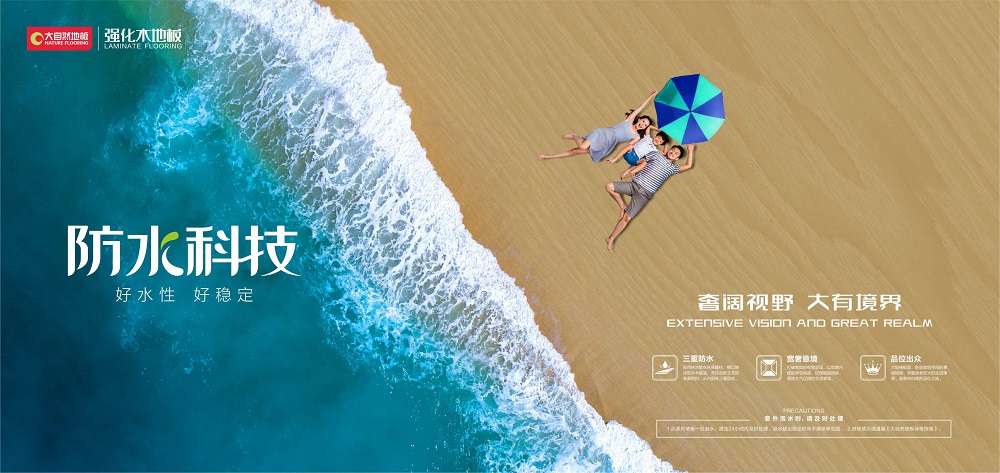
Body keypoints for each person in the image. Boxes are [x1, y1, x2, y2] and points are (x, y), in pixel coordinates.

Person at [604, 143, 696, 252]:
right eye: (673, 150)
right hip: (634, 185)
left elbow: (688, 165)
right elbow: (641, 162)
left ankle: (611, 238)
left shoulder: (672, 168)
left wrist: (690, 150)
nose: (673, 153)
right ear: (669, 150)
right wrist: (629, 171)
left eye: (676, 153)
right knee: (609, 186)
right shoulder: (655, 154)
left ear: (677, 158)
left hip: (644, 195)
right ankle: (622, 206)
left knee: (627, 218)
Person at [537, 91, 658, 162]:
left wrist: (616, 158)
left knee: (575, 151)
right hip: (601, 134)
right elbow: (640, 107)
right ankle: (574, 136)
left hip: (606, 145)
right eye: (643, 121)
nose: (642, 124)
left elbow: (627, 147)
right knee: (582, 146)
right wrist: (650, 96)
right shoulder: (629, 120)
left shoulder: (637, 137)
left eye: (645, 125)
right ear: (639, 119)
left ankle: (548, 157)